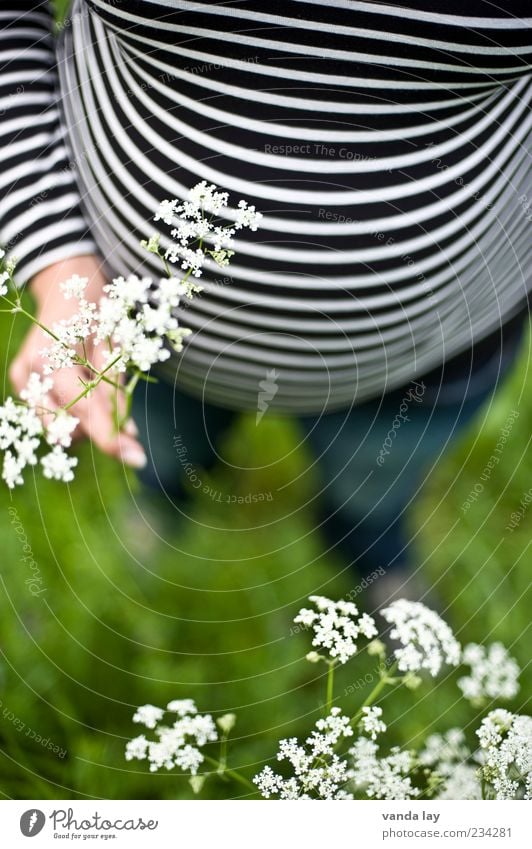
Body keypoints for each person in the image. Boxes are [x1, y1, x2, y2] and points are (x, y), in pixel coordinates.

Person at [2, 0, 531, 598]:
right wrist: (56, 260)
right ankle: (163, 499)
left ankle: (371, 546)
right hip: (144, 333)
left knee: (376, 481)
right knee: (163, 450)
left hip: (433, 343)